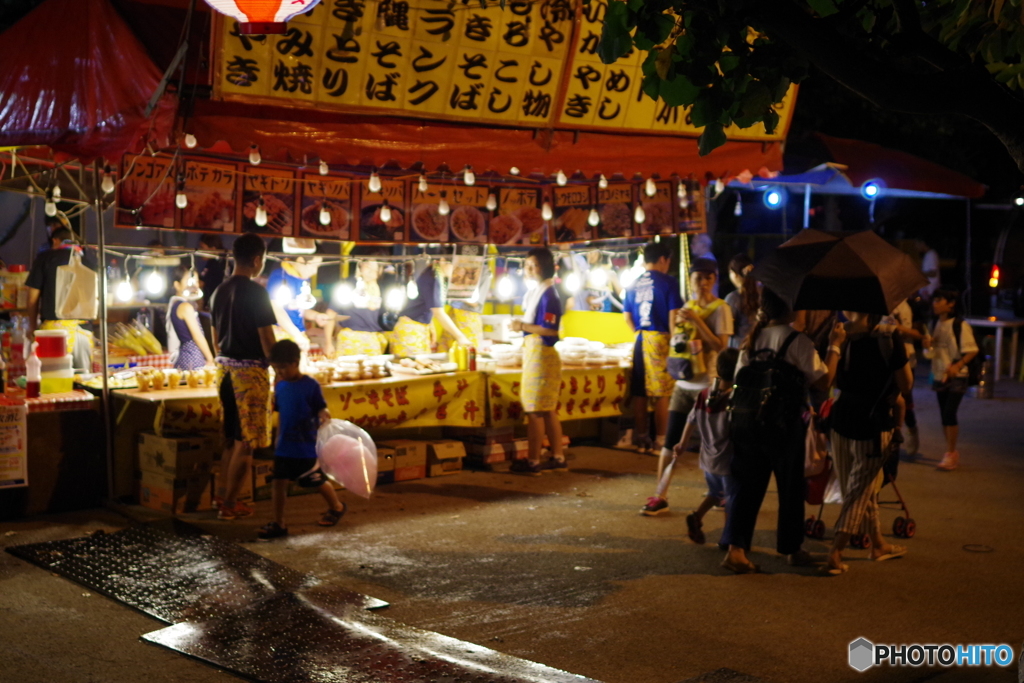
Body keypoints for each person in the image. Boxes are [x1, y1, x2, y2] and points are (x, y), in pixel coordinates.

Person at [721, 287, 844, 573]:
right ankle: (791, 549)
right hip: (783, 425)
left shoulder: (751, 340)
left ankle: (736, 550)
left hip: (748, 425)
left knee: (746, 487)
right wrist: (835, 345)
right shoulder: (797, 341)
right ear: (789, 309)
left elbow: (739, 379)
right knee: (790, 488)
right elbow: (823, 381)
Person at [824, 311, 913, 575]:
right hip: (872, 426)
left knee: (861, 489)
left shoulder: (839, 333)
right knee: (859, 492)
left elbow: (832, 380)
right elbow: (906, 384)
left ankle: (878, 544)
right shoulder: (888, 336)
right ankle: (836, 551)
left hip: (841, 420)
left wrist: (835, 345)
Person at [641, 257, 732, 516]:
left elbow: (722, 347)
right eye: (697, 278)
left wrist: (696, 322)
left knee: (714, 444)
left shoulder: (721, 308)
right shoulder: (687, 306)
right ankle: (660, 494)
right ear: (690, 280)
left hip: (708, 386)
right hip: (683, 384)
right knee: (670, 442)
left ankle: (721, 492)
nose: (702, 283)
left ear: (714, 280)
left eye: (708, 278)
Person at [210, 233, 278, 520]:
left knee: (231, 439)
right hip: (249, 375)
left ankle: (221, 497)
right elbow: (267, 339)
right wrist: (282, 370)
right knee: (246, 442)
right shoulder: (257, 292)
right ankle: (230, 505)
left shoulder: (218, 291)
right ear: (256, 260)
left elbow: (215, 340)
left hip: (224, 371)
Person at [257, 339, 347, 540]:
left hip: (305, 445)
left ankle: (337, 506)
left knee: (315, 480)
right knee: (278, 483)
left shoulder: (310, 385)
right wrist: (277, 441)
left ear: (296, 362)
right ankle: (279, 523)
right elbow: (281, 415)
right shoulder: (280, 386)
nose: (280, 373)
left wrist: (324, 414)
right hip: (284, 446)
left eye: (283, 368)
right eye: (276, 369)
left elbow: (321, 407)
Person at [654, 349, 740, 546]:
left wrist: (682, 443)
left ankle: (697, 516)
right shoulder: (734, 398)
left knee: (715, 493)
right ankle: (728, 539)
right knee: (730, 500)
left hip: (707, 458)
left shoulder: (704, 394)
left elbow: (691, 418)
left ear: (717, 368)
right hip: (727, 459)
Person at [509, 248, 566, 475]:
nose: (529, 270)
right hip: (537, 353)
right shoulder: (538, 292)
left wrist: (521, 326)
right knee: (548, 409)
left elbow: (550, 330)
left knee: (534, 410)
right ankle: (558, 457)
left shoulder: (550, 294)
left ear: (545, 267)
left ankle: (533, 461)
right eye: (526, 265)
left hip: (542, 354)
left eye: (533, 266)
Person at [623, 242, 683, 455]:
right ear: (663, 260)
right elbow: (673, 317)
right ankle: (660, 441)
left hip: (639, 339)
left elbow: (627, 316)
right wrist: (675, 344)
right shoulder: (669, 282)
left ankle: (641, 440)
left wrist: (639, 333)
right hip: (660, 339)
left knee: (640, 391)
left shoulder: (633, 283)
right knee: (662, 392)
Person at [25, 218, 97, 371]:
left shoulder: (45, 258)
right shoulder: (90, 262)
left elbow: (32, 296)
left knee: (53, 382)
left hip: (54, 333)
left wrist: (32, 326)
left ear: (55, 240)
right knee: (83, 382)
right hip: (83, 332)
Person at [922, 289, 977, 471]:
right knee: (944, 415)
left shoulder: (960, 325)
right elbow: (932, 353)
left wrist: (957, 365)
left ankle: (950, 453)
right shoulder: (935, 323)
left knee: (949, 413)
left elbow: (972, 350)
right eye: (934, 300)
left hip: (957, 376)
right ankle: (950, 452)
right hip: (939, 374)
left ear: (951, 303)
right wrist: (927, 346)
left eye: (939, 300)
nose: (935, 304)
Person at [391, 260, 470, 357]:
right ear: (442, 260)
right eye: (454, 266)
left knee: (423, 364)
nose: (456, 271)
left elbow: (427, 305)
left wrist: (431, 327)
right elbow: (438, 312)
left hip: (420, 327)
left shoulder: (435, 275)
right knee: (413, 366)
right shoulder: (432, 277)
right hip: (410, 328)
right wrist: (460, 337)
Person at [266, 255, 337, 356]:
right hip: (282, 335)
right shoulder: (279, 276)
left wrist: (316, 316)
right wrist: (296, 335)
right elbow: (275, 308)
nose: (314, 272)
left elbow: (300, 309)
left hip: (299, 335)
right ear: (300, 261)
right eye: (313, 266)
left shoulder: (304, 280)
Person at [887, 299, 923, 455]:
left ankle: (911, 430)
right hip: (887, 356)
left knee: (905, 398)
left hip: (907, 358)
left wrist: (898, 327)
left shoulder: (913, 305)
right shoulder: (885, 303)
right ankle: (890, 436)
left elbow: (920, 333)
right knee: (888, 397)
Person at [334, 260, 388, 356]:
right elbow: (331, 313)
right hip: (349, 337)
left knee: (373, 370)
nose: (370, 272)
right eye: (367, 267)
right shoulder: (347, 285)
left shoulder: (381, 288)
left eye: (374, 269)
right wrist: (328, 343)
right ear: (360, 266)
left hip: (372, 338)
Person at [166, 266, 215, 371]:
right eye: (189, 281)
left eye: (196, 281)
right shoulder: (185, 307)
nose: (194, 285)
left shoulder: (176, 304)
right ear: (177, 285)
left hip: (187, 357)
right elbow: (198, 336)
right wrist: (210, 359)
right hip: (192, 358)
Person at [440, 265, 490, 351]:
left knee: (468, 355)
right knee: (446, 353)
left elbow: (475, 302)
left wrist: (455, 292)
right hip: (452, 315)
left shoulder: (484, 272)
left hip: (468, 319)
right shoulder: (457, 266)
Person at [724, 254, 758, 349]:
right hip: (760, 346)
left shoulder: (733, 298)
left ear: (734, 274)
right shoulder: (763, 294)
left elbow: (728, 329)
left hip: (739, 348)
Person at [198, 233, 227, 312]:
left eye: (202, 247)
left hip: (215, 308)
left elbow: (201, 283)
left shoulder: (217, 264)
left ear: (213, 249)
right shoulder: (213, 262)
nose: (199, 250)